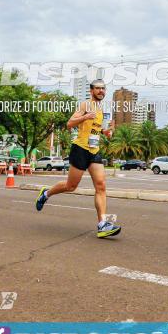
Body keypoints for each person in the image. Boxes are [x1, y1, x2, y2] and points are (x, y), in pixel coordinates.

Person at [35, 79, 120, 238]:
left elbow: (95, 128)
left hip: (94, 150)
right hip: (80, 149)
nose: (101, 91)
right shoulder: (85, 106)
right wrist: (85, 116)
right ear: (91, 91)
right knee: (71, 186)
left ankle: (102, 225)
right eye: (98, 88)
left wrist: (105, 132)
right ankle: (46, 194)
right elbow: (69, 123)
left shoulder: (100, 109)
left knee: (101, 185)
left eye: (103, 89)